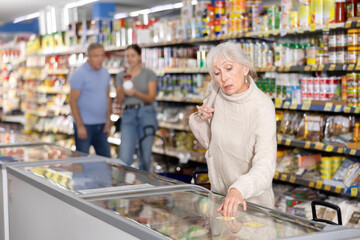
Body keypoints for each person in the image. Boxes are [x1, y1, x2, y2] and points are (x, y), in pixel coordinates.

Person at [196, 42, 277, 217]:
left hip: (253, 209)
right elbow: (207, 142)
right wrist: (201, 116)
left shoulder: (261, 107)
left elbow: (265, 165)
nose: (224, 78)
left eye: (229, 68)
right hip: (220, 204)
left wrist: (239, 189)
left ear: (245, 68)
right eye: (217, 73)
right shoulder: (217, 93)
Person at [116, 44, 158, 172]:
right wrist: (123, 88)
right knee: (124, 157)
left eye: (133, 56)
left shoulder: (149, 74)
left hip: (146, 113)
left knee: (145, 157)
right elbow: (119, 100)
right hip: (128, 114)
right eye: (127, 56)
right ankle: (124, 188)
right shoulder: (120, 76)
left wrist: (135, 93)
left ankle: (145, 188)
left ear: (139, 56)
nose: (129, 59)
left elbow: (151, 98)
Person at [69, 43, 111, 158]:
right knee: (81, 161)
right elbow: (72, 101)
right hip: (85, 125)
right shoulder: (79, 74)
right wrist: (80, 125)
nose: (100, 59)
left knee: (106, 161)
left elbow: (107, 97)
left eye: (102, 55)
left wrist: (108, 119)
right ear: (88, 57)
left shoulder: (105, 73)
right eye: (96, 56)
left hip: (101, 125)